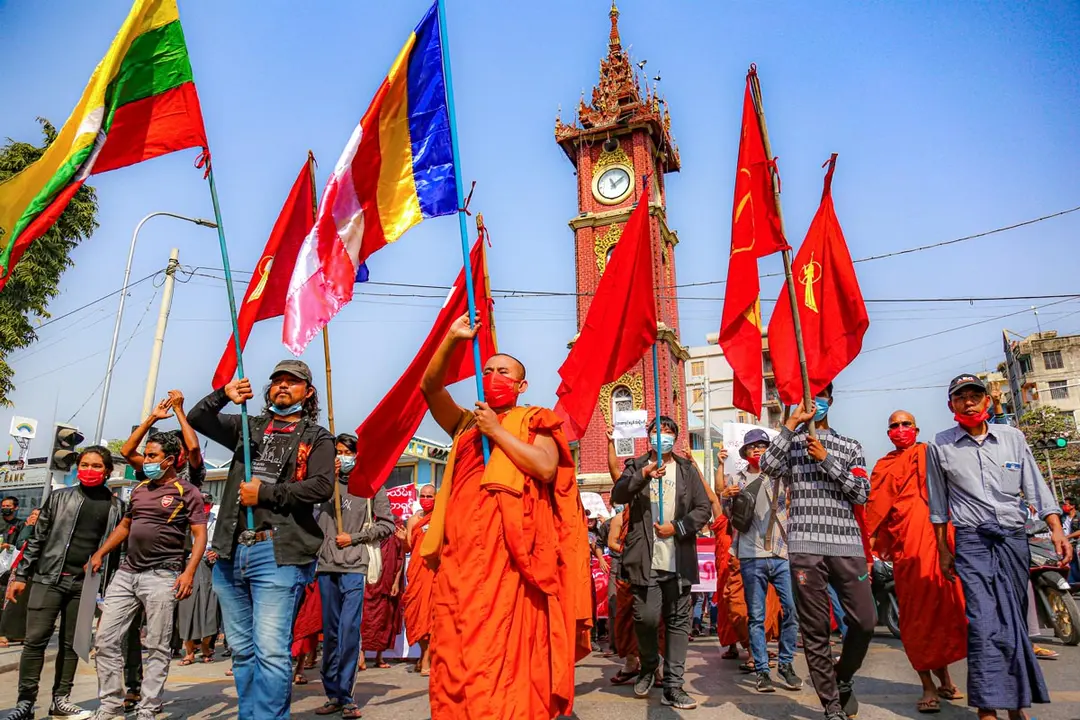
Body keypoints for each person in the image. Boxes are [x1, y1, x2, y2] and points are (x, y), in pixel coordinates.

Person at [419, 314, 592, 720]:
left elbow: (545, 468)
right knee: (456, 650)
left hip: (512, 560)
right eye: (488, 371)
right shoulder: (465, 424)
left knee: (504, 652)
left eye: (504, 372)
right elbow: (430, 387)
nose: (494, 377)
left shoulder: (534, 420)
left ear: (521, 386)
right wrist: (453, 338)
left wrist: (497, 432)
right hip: (461, 558)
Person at [188, 359, 335, 720]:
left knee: (270, 650)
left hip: (277, 552)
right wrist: (224, 394)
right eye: (277, 380)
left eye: (292, 381)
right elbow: (197, 418)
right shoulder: (248, 427)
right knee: (241, 650)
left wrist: (266, 494)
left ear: (308, 392)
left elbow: (321, 486)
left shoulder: (317, 437)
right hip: (230, 550)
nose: (283, 386)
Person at [927, 373, 1072, 720]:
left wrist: (1057, 529)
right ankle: (987, 706)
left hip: (1012, 539)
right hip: (972, 541)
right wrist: (943, 551)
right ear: (951, 405)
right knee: (982, 622)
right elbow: (938, 505)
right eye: (961, 397)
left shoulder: (1012, 437)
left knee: (1012, 620)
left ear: (988, 401)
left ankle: (1016, 706)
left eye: (975, 396)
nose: (969, 402)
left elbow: (1035, 487)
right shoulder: (940, 445)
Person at [760, 384, 874, 720]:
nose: (814, 400)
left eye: (821, 394)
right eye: (808, 394)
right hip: (805, 548)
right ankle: (831, 705)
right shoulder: (792, 443)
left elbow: (861, 492)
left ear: (830, 400)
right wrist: (791, 423)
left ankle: (843, 676)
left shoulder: (850, 445)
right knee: (815, 630)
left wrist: (826, 460)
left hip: (847, 545)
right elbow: (767, 466)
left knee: (865, 621)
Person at [89, 431, 208, 720]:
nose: (147, 461)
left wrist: (188, 573)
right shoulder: (140, 488)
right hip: (127, 573)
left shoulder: (186, 491)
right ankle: (110, 705)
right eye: (147, 455)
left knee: (157, 645)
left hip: (162, 575)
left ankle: (148, 708)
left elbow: (200, 534)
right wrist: (100, 552)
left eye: (153, 456)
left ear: (169, 460)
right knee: (104, 640)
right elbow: (125, 525)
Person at [3, 447, 123, 720]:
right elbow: (37, 538)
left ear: (107, 471)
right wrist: (21, 576)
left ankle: (61, 700)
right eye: (84, 464)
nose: (89, 470)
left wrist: (107, 588)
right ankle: (25, 703)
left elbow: (116, 551)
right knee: (35, 641)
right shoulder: (59, 498)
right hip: (48, 578)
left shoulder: (117, 507)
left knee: (72, 644)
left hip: (86, 585)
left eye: (96, 466)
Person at [864, 410, 966, 713]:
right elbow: (874, 513)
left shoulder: (930, 454)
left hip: (939, 547)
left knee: (945, 614)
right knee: (917, 619)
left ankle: (945, 679)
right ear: (888, 433)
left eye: (905, 424)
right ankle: (927, 685)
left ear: (916, 429)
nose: (900, 429)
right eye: (894, 425)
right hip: (907, 552)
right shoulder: (883, 466)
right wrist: (867, 554)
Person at [611, 415, 712, 710]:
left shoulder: (686, 469)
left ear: (675, 438)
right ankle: (648, 664)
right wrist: (643, 474)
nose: (663, 435)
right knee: (646, 618)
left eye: (668, 431)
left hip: (678, 558)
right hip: (645, 559)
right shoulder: (636, 465)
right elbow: (619, 494)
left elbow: (703, 508)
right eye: (657, 431)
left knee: (679, 622)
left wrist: (677, 527)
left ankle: (673, 685)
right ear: (649, 436)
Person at [313, 432, 393, 718]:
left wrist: (355, 538)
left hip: (354, 566)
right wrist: (327, 480)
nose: (342, 457)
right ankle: (332, 694)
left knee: (348, 631)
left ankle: (346, 696)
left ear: (357, 456)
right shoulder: (322, 482)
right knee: (330, 632)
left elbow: (388, 525)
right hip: (326, 566)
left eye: (348, 452)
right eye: (338, 452)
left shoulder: (371, 485)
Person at [721, 429, 801, 693]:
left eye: (762, 445)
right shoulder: (736, 478)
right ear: (744, 452)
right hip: (750, 555)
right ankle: (762, 670)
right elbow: (729, 516)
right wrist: (726, 496)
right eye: (751, 446)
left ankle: (786, 664)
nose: (756, 450)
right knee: (755, 616)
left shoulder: (781, 475)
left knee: (790, 610)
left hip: (780, 551)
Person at [122, 390, 206, 488]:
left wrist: (178, 410)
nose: (173, 452)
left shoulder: (193, 471)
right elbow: (126, 452)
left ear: (187, 454)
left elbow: (194, 448)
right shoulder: (155, 467)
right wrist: (153, 418)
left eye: (177, 449)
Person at [177, 493, 219, 665]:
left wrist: (217, 552)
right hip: (188, 565)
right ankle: (189, 651)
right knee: (186, 608)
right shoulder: (184, 520)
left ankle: (205, 646)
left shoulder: (217, 519)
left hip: (210, 567)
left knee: (210, 608)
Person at [360, 518, 406, 671]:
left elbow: (400, 557)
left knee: (385, 618)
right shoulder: (366, 522)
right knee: (365, 618)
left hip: (387, 580)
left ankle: (379, 656)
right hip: (369, 579)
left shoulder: (396, 526)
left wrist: (396, 582)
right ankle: (361, 655)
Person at [402, 484, 437, 676]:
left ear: (436, 498)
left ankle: (426, 659)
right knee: (415, 614)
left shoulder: (440, 518)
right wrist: (402, 540)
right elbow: (408, 547)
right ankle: (424, 653)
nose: (426, 499)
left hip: (434, 571)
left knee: (431, 615)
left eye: (430, 496)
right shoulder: (413, 520)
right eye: (423, 496)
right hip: (416, 572)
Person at [0, 508, 40, 647]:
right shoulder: (26, 527)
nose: (33, 517)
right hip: (22, 569)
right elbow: (20, 544)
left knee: (28, 604)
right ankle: (3, 633)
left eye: (37, 515)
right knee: (13, 600)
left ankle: (20, 634)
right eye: (32, 514)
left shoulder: (46, 530)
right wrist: (29, 527)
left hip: (39, 571)